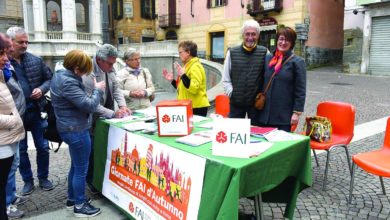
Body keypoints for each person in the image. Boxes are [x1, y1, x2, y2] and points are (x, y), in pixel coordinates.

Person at [51, 50, 105, 217]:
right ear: (76, 69)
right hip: (76, 130)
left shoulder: (61, 76)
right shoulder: (68, 81)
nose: (86, 73)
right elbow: (88, 105)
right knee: (81, 169)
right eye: (84, 70)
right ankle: (80, 205)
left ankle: (72, 199)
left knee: (76, 166)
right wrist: (98, 90)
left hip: (71, 127)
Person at [6, 26, 54, 195]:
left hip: (37, 111)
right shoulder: (3, 62)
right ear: (10, 42)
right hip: (16, 116)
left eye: (27, 41)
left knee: (43, 146)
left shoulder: (35, 60)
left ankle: (43, 178)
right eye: (21, 42)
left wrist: (41, 89)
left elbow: (49, 79)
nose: (25, 45)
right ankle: (27, 180)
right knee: (21, 150)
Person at [82, 44, 131, 192]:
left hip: (107, 114)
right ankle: (91, 180)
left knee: (105, 146)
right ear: (98, 60)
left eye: (113, 63)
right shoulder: (88, 72)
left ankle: (104, 175)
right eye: (109, 63)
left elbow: (116, 89)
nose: (112, 66)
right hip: (90, 119)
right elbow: (90, 103)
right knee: (91, 150)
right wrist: (113, 113)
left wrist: (122, 106)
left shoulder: (110, 68)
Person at [256, 27, 306, 132]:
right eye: (281, 39)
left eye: (287, 40)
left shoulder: (298, 62)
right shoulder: (268, 58)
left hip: (283, 116)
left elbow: (300, 90)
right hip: (264, 114)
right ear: (277, 40)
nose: (283, 42)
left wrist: (296, 113)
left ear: (292, 43)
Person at [0, 33, 26, 219]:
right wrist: (14, 121)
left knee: (10, 170)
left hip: (8, 137)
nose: (5, 58)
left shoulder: (3, 72)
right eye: (1, 53)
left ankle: (7, 202)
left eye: (6, 53)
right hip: (4, 138)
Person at [222, 20, 268, 121]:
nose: (250, 38)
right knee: (235, 133)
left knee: (257, 134)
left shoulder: (265, 52)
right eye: (247, 34)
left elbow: (268, 78)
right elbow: (226, 79)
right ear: (243, 35)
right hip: (236, 104)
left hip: (256, 104)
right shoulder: (232, 52)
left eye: (253, 34)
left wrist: (263, 96)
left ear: (258, 35)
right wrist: (232, 94)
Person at [162, 40, 210, 116]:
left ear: (188, 52)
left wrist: (183, 75)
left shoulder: (195, 66)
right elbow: (182, 87)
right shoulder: (187, 66)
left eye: (180, 52)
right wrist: (172, 81)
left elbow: (194, 88)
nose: (179, 55)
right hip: (188, 105)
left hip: (196, 107)